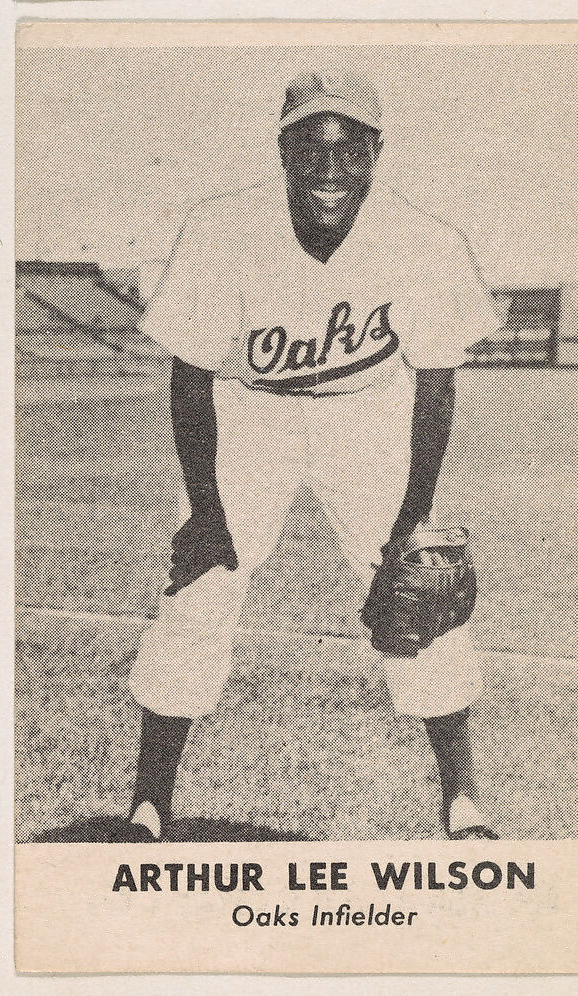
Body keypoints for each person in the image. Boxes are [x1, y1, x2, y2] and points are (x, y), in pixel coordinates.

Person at [118, 70, 499, 843]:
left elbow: (435, 390)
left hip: (370, 417)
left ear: (376, 153)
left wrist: (412, 518)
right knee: (199, 584)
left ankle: (463, 801)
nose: (330, 169)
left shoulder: (425, 239)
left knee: (418, 590)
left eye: (350, 149)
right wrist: (209, 513)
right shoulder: (223, 226)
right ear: (284, 149)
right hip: (250, 414)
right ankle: (149, 805)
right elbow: (190, 380)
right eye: (311, 147)